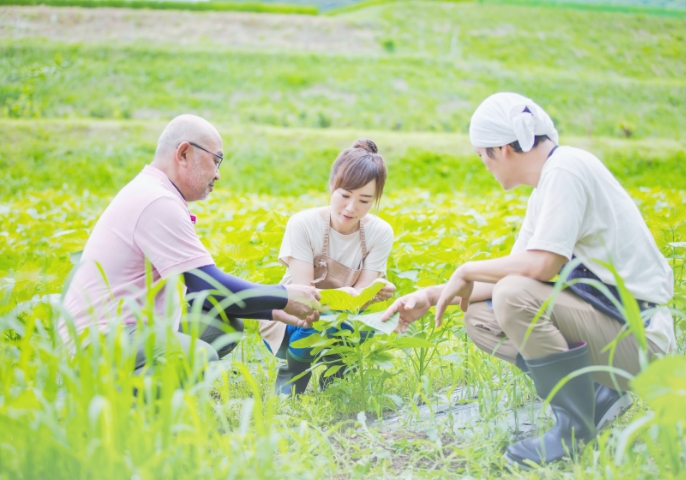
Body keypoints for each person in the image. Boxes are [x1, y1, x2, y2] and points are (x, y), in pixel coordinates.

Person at [381, 93, 675, 467]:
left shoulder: (566, 170)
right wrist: (430, 294)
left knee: (514, 295)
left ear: (501, 150)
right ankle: (600, 394)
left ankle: (574, 428)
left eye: (481, 155)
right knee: (481, 318)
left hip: (642, 338)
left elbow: (541, 267)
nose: (484, 165)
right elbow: (523, 268)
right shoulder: (548, 185)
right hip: (613, 325)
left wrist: (466, 269)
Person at [59, 114, 321, 374]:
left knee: (222, 326)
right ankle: (123, 406)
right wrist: (285, 296)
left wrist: (274, 310)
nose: (218, 175)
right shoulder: (156, 201)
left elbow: (201, 295)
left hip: (127, 328)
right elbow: (210, 286)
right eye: (216, 161)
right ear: (184, 153)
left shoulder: (154, 192)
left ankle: (135, 386)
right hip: (96, 339)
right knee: (199, 355)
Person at [260, 139, 396, 395]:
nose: (351, 208)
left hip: (341, 316)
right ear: (331, 186)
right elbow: (304, 299)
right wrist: (354, 295)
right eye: (345, 195)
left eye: (365, 201)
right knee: (315, 324)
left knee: (362, 327)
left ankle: (335, 385)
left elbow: (360, 301)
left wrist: (375, 291)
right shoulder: (303, 224)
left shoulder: (380, 232)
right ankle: (292, 381)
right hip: (292, 318)